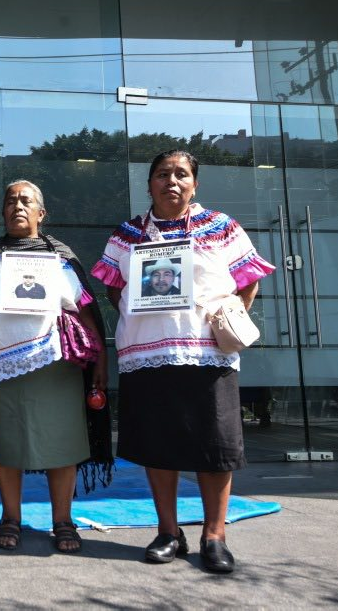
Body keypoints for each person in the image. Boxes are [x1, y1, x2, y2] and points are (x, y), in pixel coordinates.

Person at [91, 149, 275, 573]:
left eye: (180, 174)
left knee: (216, 445)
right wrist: (142, 315)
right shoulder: (128, 233)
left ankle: (215, 536)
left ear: (194, 184)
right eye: (162, 174)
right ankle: (168, 531)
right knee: (158, 445)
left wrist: (230, 314)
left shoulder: (221, 226)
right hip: (146, 354)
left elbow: (248, 278)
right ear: (149, 184)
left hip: (208, 354)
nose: (171, 181)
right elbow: (113, 286)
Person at [0, 180, 110, 554]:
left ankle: (63, 521)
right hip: (3, 368)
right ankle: (10, 517)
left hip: (56, 366)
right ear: (2, 212)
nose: (18, 206)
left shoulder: (61, 258)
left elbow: (86, 312)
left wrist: (101, 362)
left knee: (63, 445)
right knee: (8, 446)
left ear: (42, 213)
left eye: (26, 201)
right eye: (11, 201)